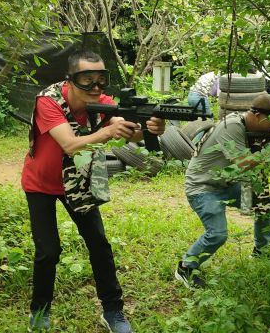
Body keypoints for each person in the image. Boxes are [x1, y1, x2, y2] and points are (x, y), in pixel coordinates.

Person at [21, 51, 165, 332]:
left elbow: (127, 129)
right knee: (48, 251)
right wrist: (108, 132)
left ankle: (113, 311)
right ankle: (40, 312)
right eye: (87, 80)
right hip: (40, 183)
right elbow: (70, 145)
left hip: (78, 181)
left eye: (101, 79)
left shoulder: (102, 103)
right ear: (70, 80)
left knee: (99, 244)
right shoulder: (48, 100)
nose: (95, 87)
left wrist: (151, 129)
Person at [175, 94, 270, 289]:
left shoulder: (256, 131)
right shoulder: (231, 126)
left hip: (227, 184)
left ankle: (261, 251)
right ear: (257, 115)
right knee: (217, 234)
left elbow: (263, 163)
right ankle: (186, 266)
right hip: (203, 187)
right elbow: (242, 164)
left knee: (266, 205)